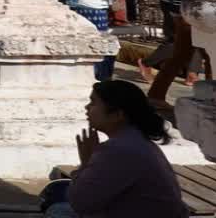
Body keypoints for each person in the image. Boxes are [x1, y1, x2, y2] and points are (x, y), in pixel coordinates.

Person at [41, 80, 188, 217]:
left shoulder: (119, 149)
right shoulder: (133, 140)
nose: (87, 108)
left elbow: (81, 203)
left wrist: (86, 161)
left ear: (117, 115)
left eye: (93, 103)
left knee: (58, 211)